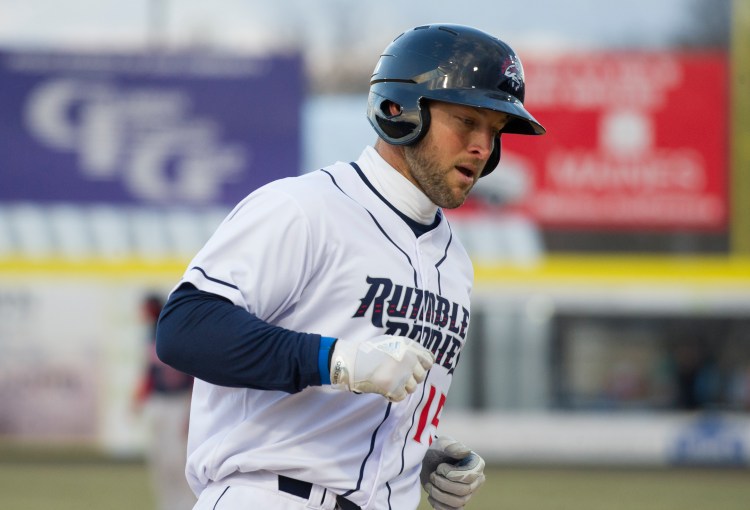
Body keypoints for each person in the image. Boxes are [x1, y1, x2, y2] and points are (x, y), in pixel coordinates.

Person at [156, 23, 545, 510]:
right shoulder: (305, 207)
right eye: (467, 121)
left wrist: (416, 453)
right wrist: (337, 360)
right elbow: (186, 328)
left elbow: (370, 397)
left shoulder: (456, 265)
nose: (483, 147)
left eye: (495, 131)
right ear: (399, 111)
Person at [133, 293, 196, 510]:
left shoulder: (175, 334)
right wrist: (139, 398)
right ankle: (167, 505)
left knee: (177, 459)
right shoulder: (150, 336)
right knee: (158, 459)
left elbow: (192, 377)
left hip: (178, 402)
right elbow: (150, 373)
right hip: (158, 402)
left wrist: (191, 411)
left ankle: (188, 505)